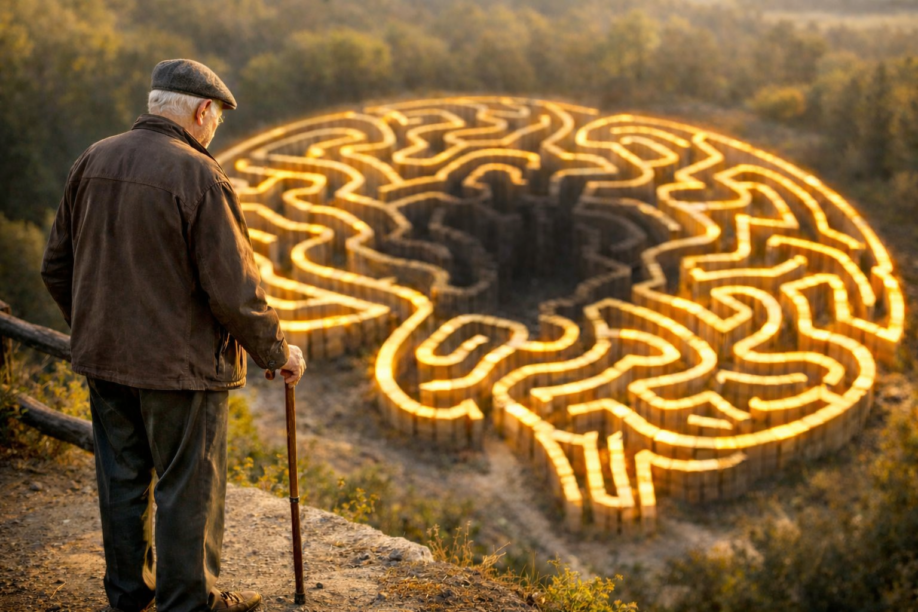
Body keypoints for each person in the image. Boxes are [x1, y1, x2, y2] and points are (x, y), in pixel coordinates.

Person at [40, 59, 306, 612]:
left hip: (104, 359)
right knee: (189, 487)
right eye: (217, 121)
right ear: (203, 110)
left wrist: (94, 326)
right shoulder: (199, 176)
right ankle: (189, 601)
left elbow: (56, 265)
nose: (214, 132)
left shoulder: (94, 158)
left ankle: (130, 594)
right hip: (179, 370)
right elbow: (234, 289)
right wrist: (276, 351)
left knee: (122, 478)